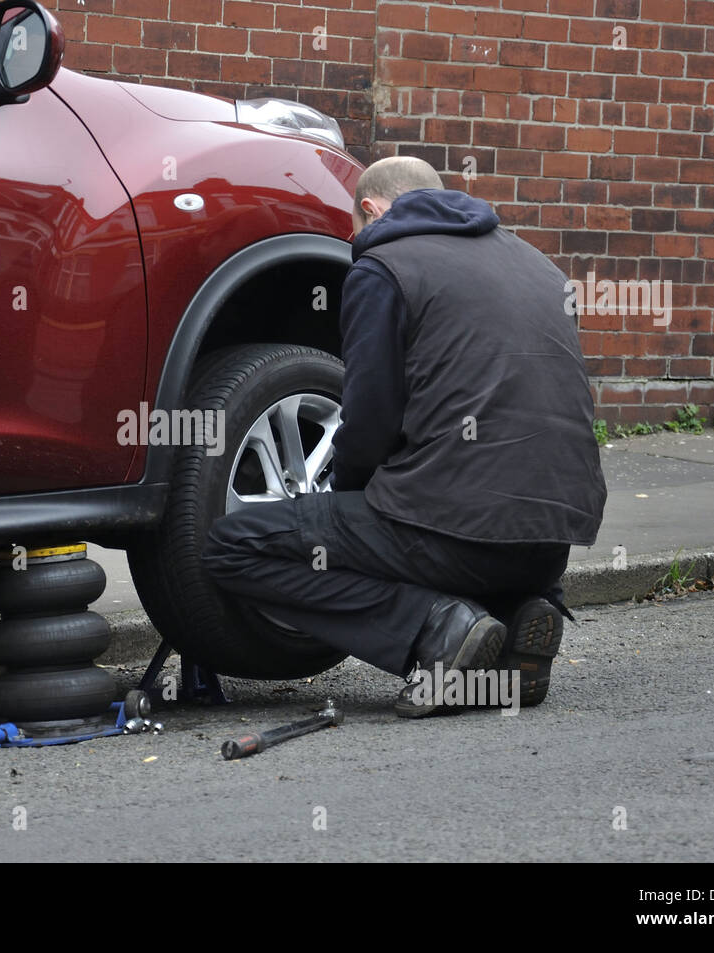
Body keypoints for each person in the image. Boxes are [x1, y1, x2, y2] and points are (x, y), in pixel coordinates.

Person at [201, 156, 607, 716]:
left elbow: (368, 418)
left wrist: (348, 498)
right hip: (551, 541)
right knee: (462, 524)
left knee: (230, 546)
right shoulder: (539, 267)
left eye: (353, 229)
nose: (355, 241)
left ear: (370, 209)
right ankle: (519, 618)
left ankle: (436, 629)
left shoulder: (384, 265)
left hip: (454, 532)